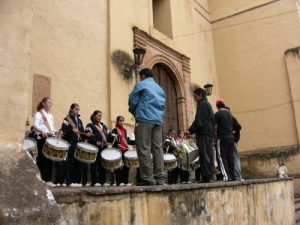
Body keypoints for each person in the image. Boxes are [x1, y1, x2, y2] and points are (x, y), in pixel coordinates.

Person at [128, 68, 166, 186]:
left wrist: (135, 111)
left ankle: (148, 179)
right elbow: (163, 105)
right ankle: (160, 179)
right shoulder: (160, 88)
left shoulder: (141, 84)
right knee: (158, 149)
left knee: (144, 148)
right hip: (158, 121)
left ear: (143, 76)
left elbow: (132, 100)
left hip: (144, 118)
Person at [186, 88, 215, 183]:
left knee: (204, 155)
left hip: (204, 134)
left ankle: (206, 177)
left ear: (200, 95)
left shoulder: (202, 105)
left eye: (195, 96)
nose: (194, 98)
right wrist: (191, 130)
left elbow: (199, 121)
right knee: (208, 154)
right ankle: (209, 176)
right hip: (208, 133)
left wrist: (190, 131)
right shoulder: (207, 104)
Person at [61, 103, 89, 187]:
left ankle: (77, 181)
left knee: (78, 161)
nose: (77, 111)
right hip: (71, 142)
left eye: (78, 109)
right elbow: (64, 130)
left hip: (78, 143)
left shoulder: (79, 120)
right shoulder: (67, 119)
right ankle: (70, 181)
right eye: (76, 109)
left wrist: (86, 135)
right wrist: (71, 130)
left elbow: (81, 131)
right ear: (71, 109)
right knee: (71, 161)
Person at [33, 97, 56, 186]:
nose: (50, 104)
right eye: (49, 102)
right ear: (43, 103)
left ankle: (48, 180)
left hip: (50, 138)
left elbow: (52, 128)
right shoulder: (38, 114)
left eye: (51, 103)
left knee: (50, 159)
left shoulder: (50, 116)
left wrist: (56, 132)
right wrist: (41, 131)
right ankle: (41, 179)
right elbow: (35, 126)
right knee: (42, 159)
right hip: (42, 138)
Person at [86, 110, 113, 186]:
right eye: (98, 115)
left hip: (103, 147)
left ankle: (102, 181)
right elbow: (88, 134)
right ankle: (95, 181)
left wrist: (113, 137)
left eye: (100, 115)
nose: (100, 117)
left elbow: (108, 135)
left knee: (102, 164)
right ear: (94, 116)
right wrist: (95, 141)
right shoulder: (90, 125)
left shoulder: (103, 125)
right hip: (94, 147)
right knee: (94, 164)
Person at [214, 99, 236, 181]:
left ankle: (226, 176)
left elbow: (215, 127)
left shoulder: (217, 114)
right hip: (231, 138)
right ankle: (233, 176)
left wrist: (214, 138)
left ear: (217, 106)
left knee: (221, 157)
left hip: (222, 138)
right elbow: (233, 126)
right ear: (224, 105)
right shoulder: (230, 114)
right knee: (230, 157)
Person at [111, 116, 135, 186]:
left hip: (125, 150)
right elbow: (112, 139)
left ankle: (125, 181)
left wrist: (136, 142)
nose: (121, 122)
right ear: (117, 121)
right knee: (118, 167)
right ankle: (119, 182)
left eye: (122, 121)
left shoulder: (125, 130)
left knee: (127, 166)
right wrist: (116, 143)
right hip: (118, 151)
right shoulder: (114, 130)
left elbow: (128, 141)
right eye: (120, 121)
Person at [225, 106, 243, 181]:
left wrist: (232, 132)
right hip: (230, 142)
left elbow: (239, 127)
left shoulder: (231, 118)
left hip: (233, 142)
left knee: (235, 158)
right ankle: (235, 176)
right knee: (232, 159)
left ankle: (238, 176)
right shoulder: (227, 120)